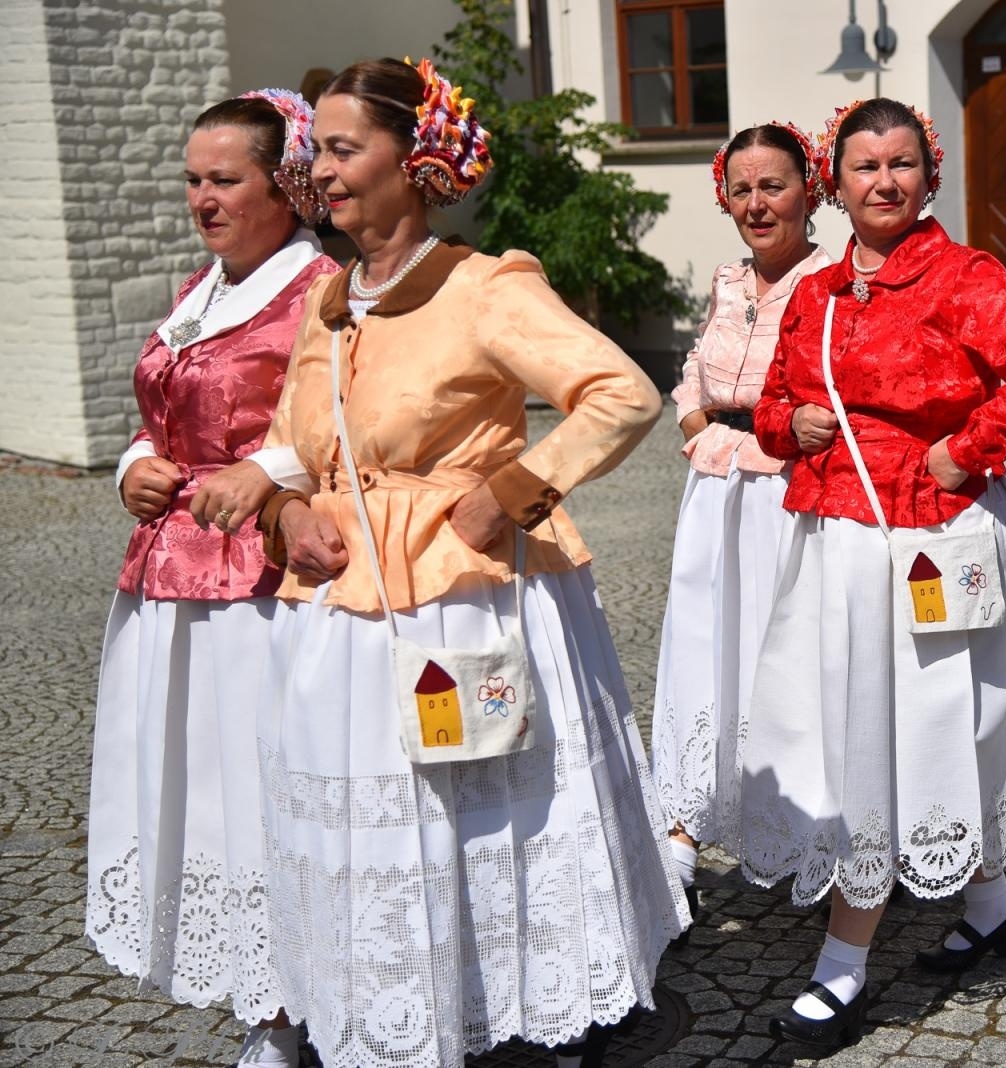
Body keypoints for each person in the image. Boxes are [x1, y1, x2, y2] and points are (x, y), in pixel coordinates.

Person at [250, 58, 686, 1068]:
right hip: (349, 609)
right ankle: (400, 1001)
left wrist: (516, 491)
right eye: (315, 151)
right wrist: (280, 511)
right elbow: (293, 439)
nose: (321, 170)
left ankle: (532, 1008)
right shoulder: (329, 300)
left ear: (416, 162)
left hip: (465, 598)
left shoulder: (484, 289)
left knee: (490, 812)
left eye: (344, 149)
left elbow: (621, 394)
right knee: (379, 821)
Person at [741, 98, 1006, 1049]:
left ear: (928, 176)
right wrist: (790, 424)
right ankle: (991, 907)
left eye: (901, 165)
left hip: (930, 540)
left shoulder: (965, 275)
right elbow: (771, 403)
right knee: (867, 730)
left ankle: (845, 965)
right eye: (864, 167)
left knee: (909, 733)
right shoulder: (814, 289)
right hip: (835, 542)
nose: (883, 183)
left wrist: (965, 450)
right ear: (835, 184)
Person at [84, 90, 336, 1068]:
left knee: (265, 790)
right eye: (193, 179)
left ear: (286, 182)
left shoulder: (317, 291)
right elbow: (167, 422)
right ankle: (257, 999)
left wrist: (266, 473)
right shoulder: (207, 288)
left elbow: (340, 432)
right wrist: (129, 468)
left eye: (223, 179)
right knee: (202, 795)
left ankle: (293, 1006)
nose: (203, 198)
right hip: (171, 581)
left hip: (261, 582)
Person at [652, 122, 830, 909]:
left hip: (790, 496)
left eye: (774, 186)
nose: (758, 204)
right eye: (743, 188)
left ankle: (803, 826)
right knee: (704, 652)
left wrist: (780, 431)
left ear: (810, 191)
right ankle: (685, 830)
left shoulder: (831, 281)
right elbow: (696, 365)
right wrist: (693, 421)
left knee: (779, 656)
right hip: (715, 494)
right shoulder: (730, 279)